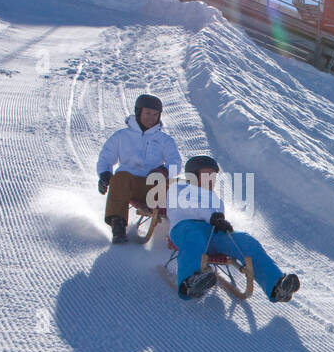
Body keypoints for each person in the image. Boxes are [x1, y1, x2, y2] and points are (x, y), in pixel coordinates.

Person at [168, 155, 301, 303]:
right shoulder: (178, 188)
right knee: (195, 237)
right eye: (207, 175)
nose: (211, 179)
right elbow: (189, 204)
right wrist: (212, 216)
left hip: (212, 234)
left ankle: (277, 286)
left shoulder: (214, 198)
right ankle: (189, 283)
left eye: (213, 176)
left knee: (247, 241)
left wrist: (221, 223)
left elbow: (216, 216)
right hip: (185, 228)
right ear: (193, 175)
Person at [96, 94, 180, 244]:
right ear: (138, 112)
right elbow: (106, 158)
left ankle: (181, 229)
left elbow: (175, 162)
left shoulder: (164, 140)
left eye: (155, 115)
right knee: (121, 176)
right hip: (128, 184)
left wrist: (164, 171)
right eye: (147, 113)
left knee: (178, 187)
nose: (151, 118)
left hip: (153, 185)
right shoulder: (121, 136)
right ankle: (118, 225)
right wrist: (104, 175)